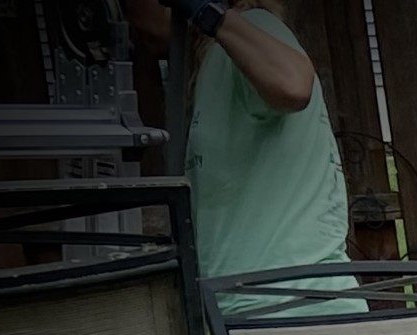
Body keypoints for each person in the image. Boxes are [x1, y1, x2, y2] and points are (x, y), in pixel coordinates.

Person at [131, 0, 356, 308]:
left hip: (295, 308)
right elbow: (153, 24)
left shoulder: (255, 26)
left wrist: (208, 15)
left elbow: (292, 85)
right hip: (254, 309)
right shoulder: (216, 59)